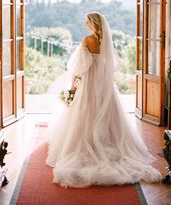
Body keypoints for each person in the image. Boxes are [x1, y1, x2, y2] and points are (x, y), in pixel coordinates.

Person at [46, 12, 161, 188]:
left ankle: (89, 144)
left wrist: (73, 87)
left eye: (87, 21)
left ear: (93, 24)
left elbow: (80, 68)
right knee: (107, 113)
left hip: (89, 83)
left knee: (85, 112)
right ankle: (110, 142)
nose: (85, 24)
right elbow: (110, 64)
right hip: (105, 84)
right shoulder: (106, 40)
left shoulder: (87, 40)